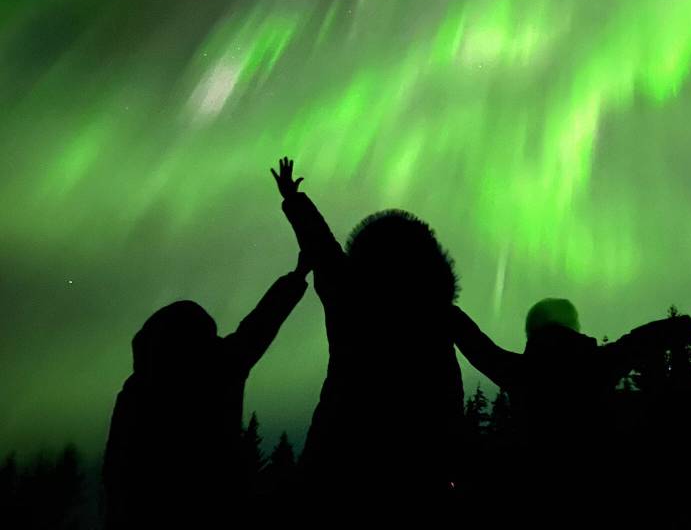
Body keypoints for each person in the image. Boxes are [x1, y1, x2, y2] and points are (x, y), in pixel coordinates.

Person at [271, 157, 464, 515]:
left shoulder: (349, 295)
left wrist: (294, 200)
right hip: (420, 467)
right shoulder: (435, 313)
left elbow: (321, 246)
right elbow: (449, 393)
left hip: (338, 456)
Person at [450, 293, 691, 514]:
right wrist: (688, 325)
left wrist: (446, 308)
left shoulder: (520, 372)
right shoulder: (597, 365)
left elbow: (479, 348)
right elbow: (640, 342)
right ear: (573, 327)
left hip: (535, 497)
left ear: (532, 331)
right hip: (596, 495)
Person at [103, 253, 310, 529]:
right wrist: (298, 275)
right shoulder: (220, 366)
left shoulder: (136, 390)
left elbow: (115, 466)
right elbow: (260, 324)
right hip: (214, 506)